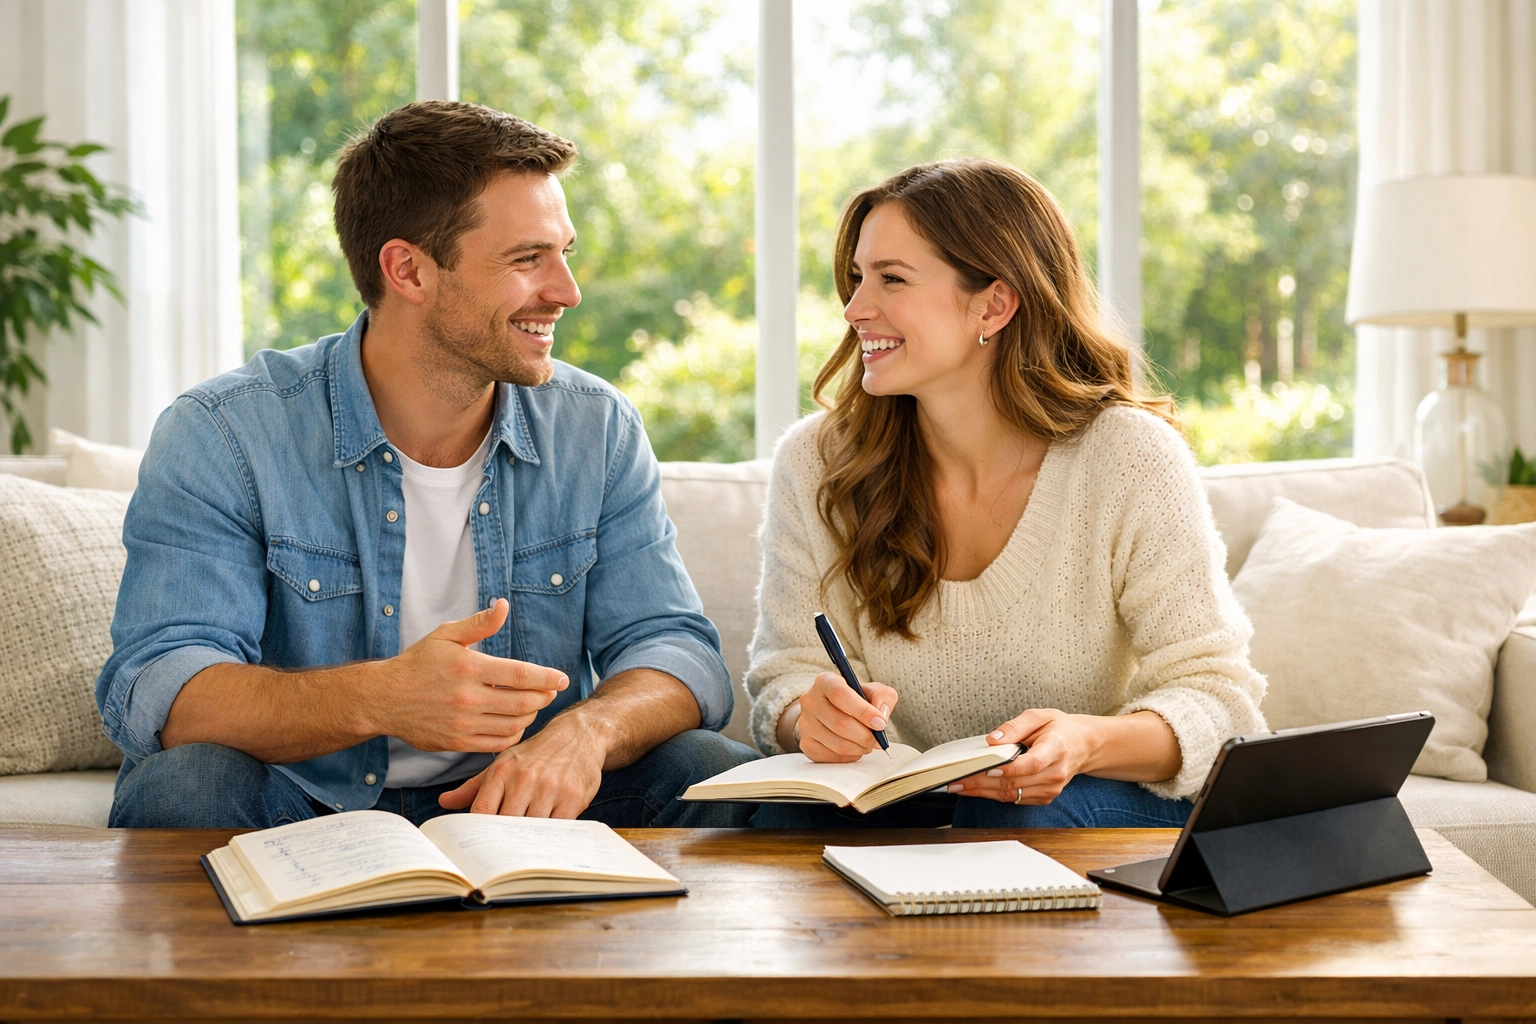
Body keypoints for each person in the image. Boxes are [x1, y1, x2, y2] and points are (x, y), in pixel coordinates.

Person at [98, 100, 758, 829]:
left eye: (564, 253)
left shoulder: (595, 428)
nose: (566, 291)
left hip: (527, 801)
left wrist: (586, 732)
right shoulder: (224, 434)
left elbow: (678, 653)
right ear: (408, 270)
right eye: (527, 259)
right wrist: (382, 698)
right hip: (305, 801)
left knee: (713, 772)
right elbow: (163, 686)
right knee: (185, 785)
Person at [746, 159, 1266, 829]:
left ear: (994, 303)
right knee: (772, 818)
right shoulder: (818, 462)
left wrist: (1085, 743)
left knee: (1010, 823)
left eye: (892, 280)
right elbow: (786, 673)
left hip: (1083, 798)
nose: (854, 310)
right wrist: (804, 719)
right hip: (904, 806)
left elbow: (1219, 698)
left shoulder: (1128, 456)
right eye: (855, 280)